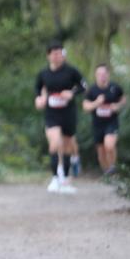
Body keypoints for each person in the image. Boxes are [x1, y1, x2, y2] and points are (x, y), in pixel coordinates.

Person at [34, 41, 86, 194]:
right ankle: (55, 177)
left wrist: (72, 93)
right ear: (48, 56)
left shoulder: (71, 71)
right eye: (54, 53)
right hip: (52, 114)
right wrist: (39, 99)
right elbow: (38, 89)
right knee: (55, 143)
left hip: (68, 113)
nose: (57, 56)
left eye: (60, 53)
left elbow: (84, 86)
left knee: (68, 145)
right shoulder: (43, 74)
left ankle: (64, 178)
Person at [83, 64, 126, 175]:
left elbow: (123, 99)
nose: (102, 76)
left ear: (108, 74)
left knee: (109, 145)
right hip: (97, 124)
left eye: (104, 74)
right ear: (96, 75)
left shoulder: (115, 88)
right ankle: (106, 172)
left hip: (111, 122)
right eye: (99, 74)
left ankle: (113, 167)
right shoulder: (92, 90)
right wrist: (96, 103)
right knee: (101, 152)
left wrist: (118, 106)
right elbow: (86, 107)